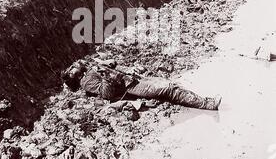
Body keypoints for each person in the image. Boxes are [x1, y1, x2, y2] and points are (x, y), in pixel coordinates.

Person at [62, 59, 222, 111]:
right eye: (71, 70)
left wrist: (109, 65)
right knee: (169, 90)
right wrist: (106, 76)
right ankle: (207, 105)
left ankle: (205, 101)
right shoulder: (86, 81)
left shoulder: (89, 69)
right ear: (74, 77)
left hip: (133, 79)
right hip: (130, 88)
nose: (73, 66)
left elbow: (114, 69)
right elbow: (106, 93)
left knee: (170, 85)